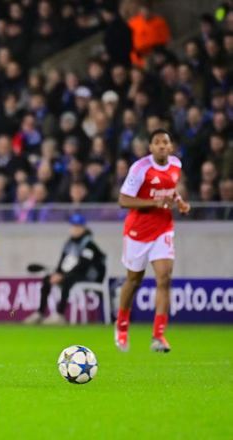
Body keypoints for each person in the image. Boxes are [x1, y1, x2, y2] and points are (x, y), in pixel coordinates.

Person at [116, 128, 190, 353]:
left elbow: (170, 190)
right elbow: (123, 200)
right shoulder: (140, 168)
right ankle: (122, 326)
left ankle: (158, 336)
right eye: (157, 142)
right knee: (133, 280)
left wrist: (180, 202)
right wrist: (153, 203)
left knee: (164, 279)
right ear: (150, 148)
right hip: (138, 231)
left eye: (165, 142)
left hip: (163, 229)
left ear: (171, 146)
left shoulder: (176, 164)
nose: (161, 146)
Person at [24, 213, 106, 325]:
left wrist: (62, 276)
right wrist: (57, 273)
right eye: (73, 226)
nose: (74, 229)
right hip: (70, 275)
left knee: (67, 280)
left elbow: (83, 265)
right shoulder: (69, 244)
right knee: (47, 279)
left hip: (88, 276)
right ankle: (40, 313)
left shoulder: (89, 245)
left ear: (83, 227)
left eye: (77, 226)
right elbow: (62, 262)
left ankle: (60, 315)